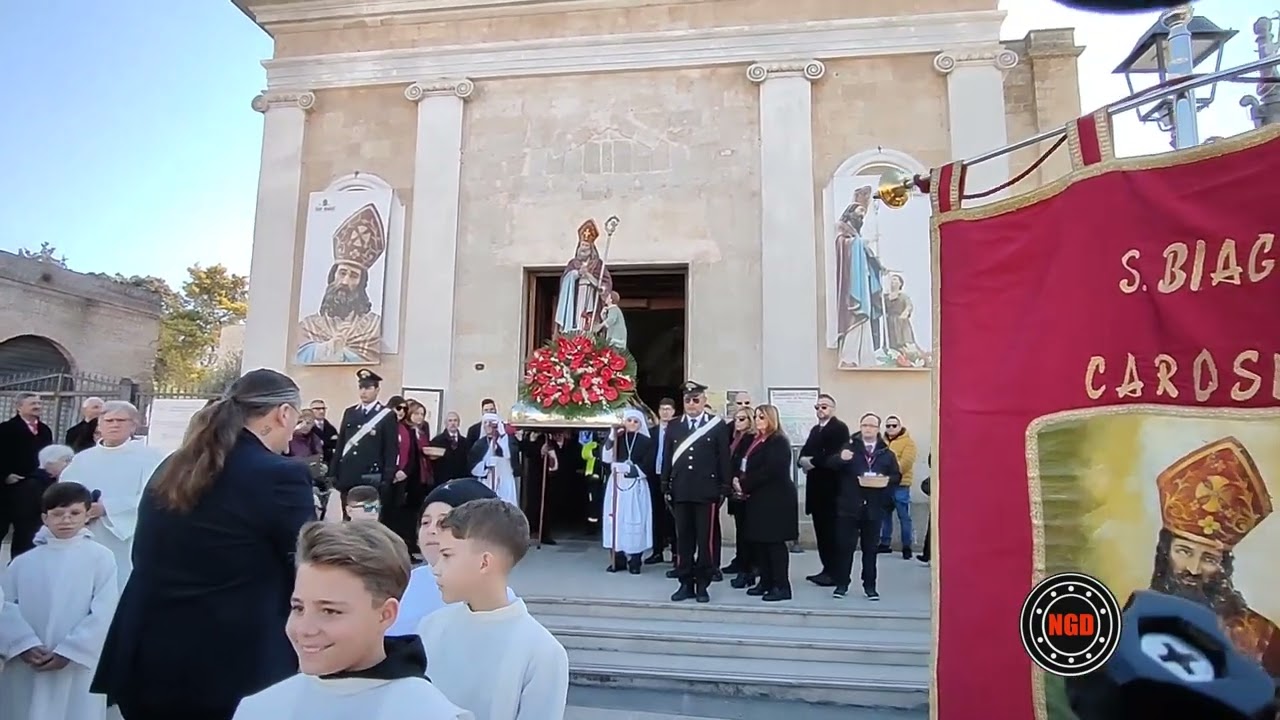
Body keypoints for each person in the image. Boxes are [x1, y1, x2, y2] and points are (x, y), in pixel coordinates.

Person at [91, 369, 317, 720]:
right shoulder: (280, 474)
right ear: (283, 413)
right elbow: (305, 565)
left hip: (149, 649)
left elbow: (147, 551)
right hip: (230, 658)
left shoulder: (173, 465)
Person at [231, 522, 470, 720]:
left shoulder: (428, 713)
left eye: (330, 611)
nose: (304, 629)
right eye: (298, 607)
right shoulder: (260, 709)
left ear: (386, 614)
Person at [417, 499, 568, 720]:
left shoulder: (542, 653)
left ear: (484, 563)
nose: (436, 568)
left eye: (447, 555)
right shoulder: (430, 627)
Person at [0, 481, 119, 720]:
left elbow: (105, 609)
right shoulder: (24, 562)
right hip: (29, 660)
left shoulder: (101, 558)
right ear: (45, 518)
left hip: (76, 663)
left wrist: (72, 650)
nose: (66, 520)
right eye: (57, 514)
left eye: (74, 513)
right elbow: (6, 606)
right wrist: (23, 643)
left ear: (87, 515)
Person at [60, 401, 168, 591]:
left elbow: (155, 496)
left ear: (134, 425)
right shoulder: (82, 459)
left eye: (121, 420)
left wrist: (107, 508)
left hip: (128, 535)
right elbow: (65, 491)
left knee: (121, 583)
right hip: (87, 531)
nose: (114, 425)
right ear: (99, 425)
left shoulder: (149, 458)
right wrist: (80, 510)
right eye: (109, 420)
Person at [386, 479, 516, 636]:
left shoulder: (496, 601)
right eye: (425, 522)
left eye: (443, 522)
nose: (431, 530)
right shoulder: (406, 581)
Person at [661, 381, 732, 603]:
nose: (691, 404)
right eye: (687, 400)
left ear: (703, 401)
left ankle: (703, 583)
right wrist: (665, 483)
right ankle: (685, 583)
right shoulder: (674, 426)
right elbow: (667, 457)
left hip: (706, 491)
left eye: (695, 400)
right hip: (681, 490)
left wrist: (725, 486)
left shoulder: (717, 425)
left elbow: (724, 458)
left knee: (706, 540)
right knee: (684, 540)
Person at [826, 412, 901, 600]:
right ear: (860, 427)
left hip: (874, 508)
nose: (868, 429)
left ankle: (870, 586)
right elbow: (831, 465)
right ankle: (842, 584)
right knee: (845, 548)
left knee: (870, 550)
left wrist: (885, 480)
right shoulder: (850, 447)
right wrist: (841, 458)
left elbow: (896, 476)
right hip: (849, 506)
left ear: (877, 429)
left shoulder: (886, 453)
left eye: (872, 426)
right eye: (864, 425)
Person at [736, 405, 798, 602]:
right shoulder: (756, 439)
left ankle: (781, 585)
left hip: (775, 499)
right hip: (757, 497)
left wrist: (745, 483)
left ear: (771, 418)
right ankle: (765, 581)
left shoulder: (777, 441)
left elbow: (772, 470)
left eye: (762, 417)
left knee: (774, 544)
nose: (758, 420)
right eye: (755, 416)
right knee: (760, 542)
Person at [328, 369, 398, 522]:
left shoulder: (386, 415)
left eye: (368, 388)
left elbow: (391, 448)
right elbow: (341, 444)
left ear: (377, 390)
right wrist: (333, 471)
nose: (363, 392)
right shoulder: (350, 412)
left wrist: (388, 476)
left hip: (371, 477)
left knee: (370, 518)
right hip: (348, 474)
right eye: (361, 387)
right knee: (349, 516)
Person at [797, 394, 850, 587]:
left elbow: (832, 455)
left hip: (831, 492)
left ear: (832, 409)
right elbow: (805, 451)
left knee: (832, 535)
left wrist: (812, 461)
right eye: (817, 407)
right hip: (816, 491)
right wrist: (803, 460)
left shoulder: (839, 429)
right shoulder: (814, 430)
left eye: (824, 407)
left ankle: (835, 573)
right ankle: (826, 569)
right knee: (822, 534)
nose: (820, 410)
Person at [600, 408, 656, 574]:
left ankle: (636, 560)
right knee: (616, 520)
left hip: (636, 486)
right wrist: (611, 436)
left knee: (634, 520)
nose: (632, 424)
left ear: (640, 424)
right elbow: (605, 457)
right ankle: (618, 559)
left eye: (635, 421)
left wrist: (628, 469)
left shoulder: (647, 442)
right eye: (629, 420)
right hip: (616, 485)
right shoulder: (618, 439)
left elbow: (648, 465)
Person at [0, 392, 54, 559]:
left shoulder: (45, 430)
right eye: (32, 404)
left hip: (34, 489)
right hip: (8, 488)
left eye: (39, 403)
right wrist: (5, 475)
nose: (37, 406)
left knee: (26, 533)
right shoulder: (5, 429)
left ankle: (18, 569)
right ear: (19, 407)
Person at [723, 407, 756, 589]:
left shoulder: (750, 439)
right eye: (736, 419)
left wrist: (736, 479)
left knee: (746, 531)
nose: (738, 422)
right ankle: (740, 561)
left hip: (743, 489)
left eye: (742, 419)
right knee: (740, 529)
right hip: (734, 489)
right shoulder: (735, 437)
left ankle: (748, 566)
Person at [878, 414, 918, 559]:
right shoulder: (881, 442)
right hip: (884, 485)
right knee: (884, 515)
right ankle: (884, 544)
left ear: (900, 427)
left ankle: (906, 547)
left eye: (894, 425)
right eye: (888, 426)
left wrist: (890, 472)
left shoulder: (908, 442)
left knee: (904, 517)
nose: (890, 428)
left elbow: (906, 462)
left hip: (901, 485)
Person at [645, 398, 677, 565]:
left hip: (672, 478)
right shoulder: (651, 432)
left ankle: (675, 552)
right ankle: (657, 551)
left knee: (673, 516)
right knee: (656, 514)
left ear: (673, 411)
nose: (665, 412)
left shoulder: (679, 430)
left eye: (668, 409)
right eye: (662, 409)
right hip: (654, 476)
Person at [467, 413, 520, 507]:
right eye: (485, 423)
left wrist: (503, 437)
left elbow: (510, 455)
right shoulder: (479, 444)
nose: (488, 426)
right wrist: (486, 464)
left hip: (505, 481)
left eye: (491, 423)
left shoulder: (507, 440)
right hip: (487, 481)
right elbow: (472, 466)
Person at [427, 412, 471, 483]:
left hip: (460, 481)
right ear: (446, 423)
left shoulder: (465, 442)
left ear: (459, 423)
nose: (453, 423)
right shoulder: (437, 441)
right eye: (450, 421)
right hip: (441, 481)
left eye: (455, 420)